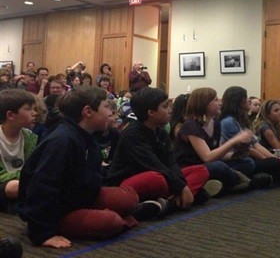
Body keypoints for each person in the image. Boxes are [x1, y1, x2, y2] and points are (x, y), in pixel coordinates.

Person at [17, 86, 148, 248]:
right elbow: (41, 188)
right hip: (56, 210)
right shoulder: (62, 140)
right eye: (106, 107)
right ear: (88, 112)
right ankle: (119, 218)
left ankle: (121, 216)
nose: (111, 113)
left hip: (77, 195)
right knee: (110, 222)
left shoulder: (87, 136)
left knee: (128, 199)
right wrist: (42, 233)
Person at [106, 88, 218, 213]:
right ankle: (178, 199)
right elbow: (154, 165)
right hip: (129, 182)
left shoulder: (160, 131)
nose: (170, 110)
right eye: (165, 107)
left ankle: (167, 203)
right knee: (157, 178)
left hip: (159, 176)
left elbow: (171, 162)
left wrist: (182, 186)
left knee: (201, 170)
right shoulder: (133, 134)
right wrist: (182, 186)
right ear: (151, 112)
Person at [174, 87, 253, 193]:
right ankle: (234, 184)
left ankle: (217, 186)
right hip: (191, 168)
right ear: (204, 104)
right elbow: (207, 157)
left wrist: (236, 154)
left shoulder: (215, 123)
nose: (219, 103)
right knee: (218, 166)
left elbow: (218, 154)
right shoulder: (191, 125)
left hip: (209, 165)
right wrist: (234, 140)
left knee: (247, 162)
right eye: (215, 100)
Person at [0, 90, 37, 214]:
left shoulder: (30, 137)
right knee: (14, 187)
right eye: (28, 109)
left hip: (23, 184)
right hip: (5, 186)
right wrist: (24, 176)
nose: (34, 113)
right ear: (10, 115)